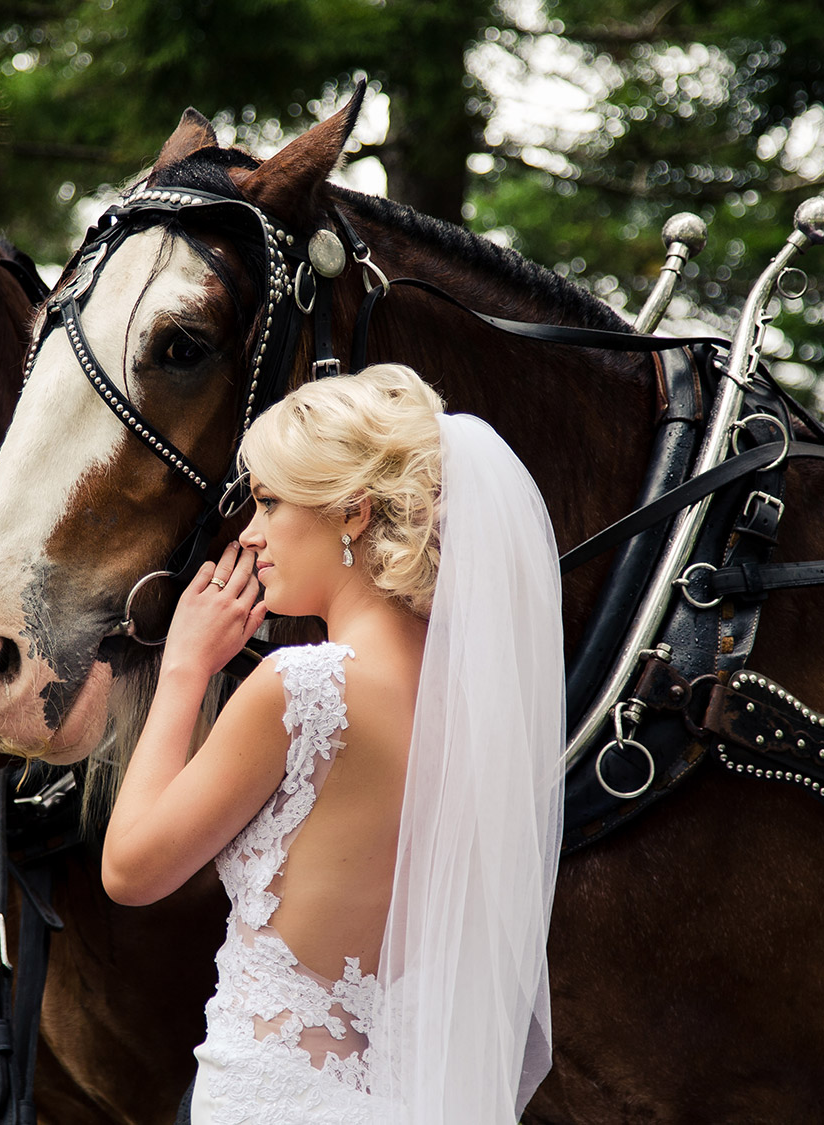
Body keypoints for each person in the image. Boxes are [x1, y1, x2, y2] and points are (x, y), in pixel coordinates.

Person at [101, 365, 568, 1124]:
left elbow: (130, 870)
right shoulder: (481, 710)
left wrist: (184, 668)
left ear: (353, 513)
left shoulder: (303, 690)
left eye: (269, 501)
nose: (249, 535)